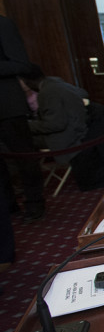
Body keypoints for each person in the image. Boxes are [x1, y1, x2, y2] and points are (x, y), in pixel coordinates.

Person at [0, 15, 44, 221]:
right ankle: (8, 205)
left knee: (23, 158)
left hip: (8, 105)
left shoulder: (3, 23)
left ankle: (35, 205)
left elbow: (22, 64)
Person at [20, 64, 88, 164]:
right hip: (78, 131)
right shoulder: (56, 83)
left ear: (27, 81)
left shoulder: (47, 92)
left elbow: (55, 124)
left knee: (15, 139)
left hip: (67, 137)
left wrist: (26, 125)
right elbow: (84, 94)